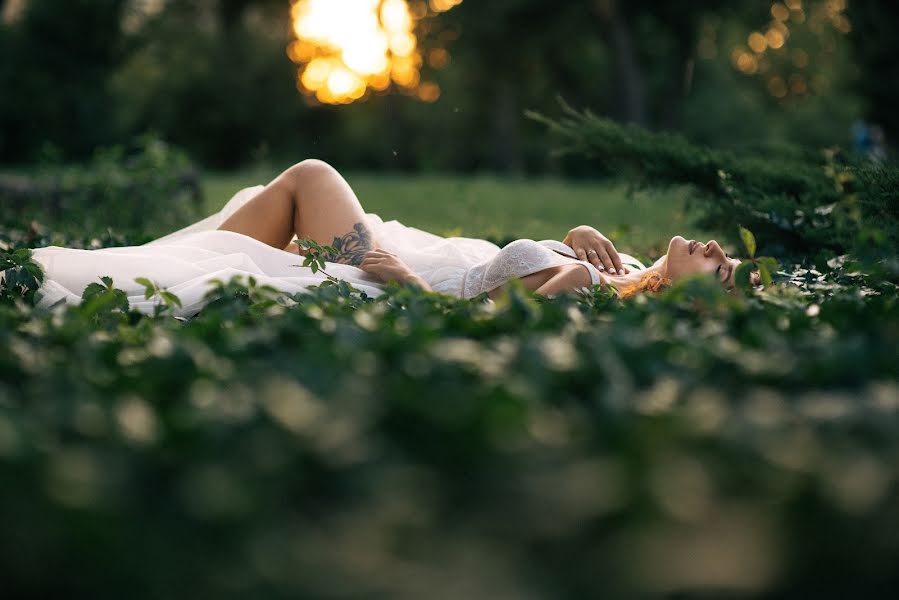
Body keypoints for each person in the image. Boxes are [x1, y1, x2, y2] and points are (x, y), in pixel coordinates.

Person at [27, 160, 740, 317]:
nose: (713, 251)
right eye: (719, 247)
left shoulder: (595, 287)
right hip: (423, 251)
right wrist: (574, 233)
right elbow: (531, 279)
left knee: (307, 179)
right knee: (276, 214)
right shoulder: (615, 269)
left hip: (391, 272)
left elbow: (492, 333)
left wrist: (409, 286)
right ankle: (142, 261)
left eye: (720, 268)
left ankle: (127, 268)